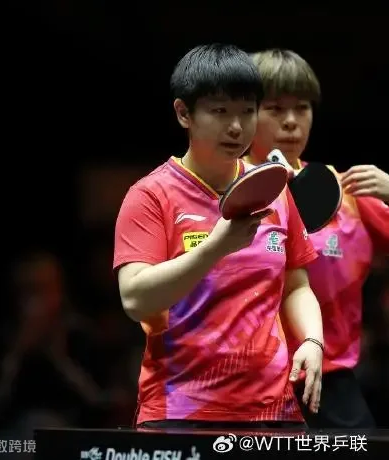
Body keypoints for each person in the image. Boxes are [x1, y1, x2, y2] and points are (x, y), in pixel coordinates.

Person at [113, 44, 324, 429]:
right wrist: (216, 248)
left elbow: (297, 285)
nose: (237, 127)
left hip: (272, 411)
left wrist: (312, 340)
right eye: (220, 111)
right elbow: (135, 298)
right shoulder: (151, 196)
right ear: (184, 113)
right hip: (181, 411)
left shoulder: (274, 189)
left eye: (247, 111)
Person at [246, 48, 389, 428]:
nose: (291, 121)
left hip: (330, 385)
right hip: (245, 385)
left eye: (302, 108)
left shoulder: (345, 193)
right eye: (275, 108)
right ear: (247, 114)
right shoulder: (224, 193)